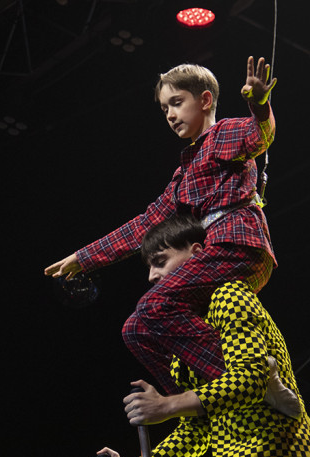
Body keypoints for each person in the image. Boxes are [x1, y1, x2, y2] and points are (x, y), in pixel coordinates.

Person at [45, 57, 278, 395]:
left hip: (237, 246)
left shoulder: (223, 134)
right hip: (218, 252)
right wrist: (84, 257)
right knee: (136, 329)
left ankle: (251, 381)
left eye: (177, 102)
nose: (169, 114)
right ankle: (193, 403)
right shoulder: (184, 173)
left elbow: (259, 136)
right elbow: (144, 225)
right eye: (165, 108)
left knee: (154, 306)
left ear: (205, 100)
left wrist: (259, 104)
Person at [89, 215, 310, 457]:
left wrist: (167, 405)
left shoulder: (228, 296)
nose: (152, 276)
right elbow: (198, 431)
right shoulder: (188, 335)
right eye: (149, 267)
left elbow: (252, 380)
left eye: (160, 261)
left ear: (198, 255)